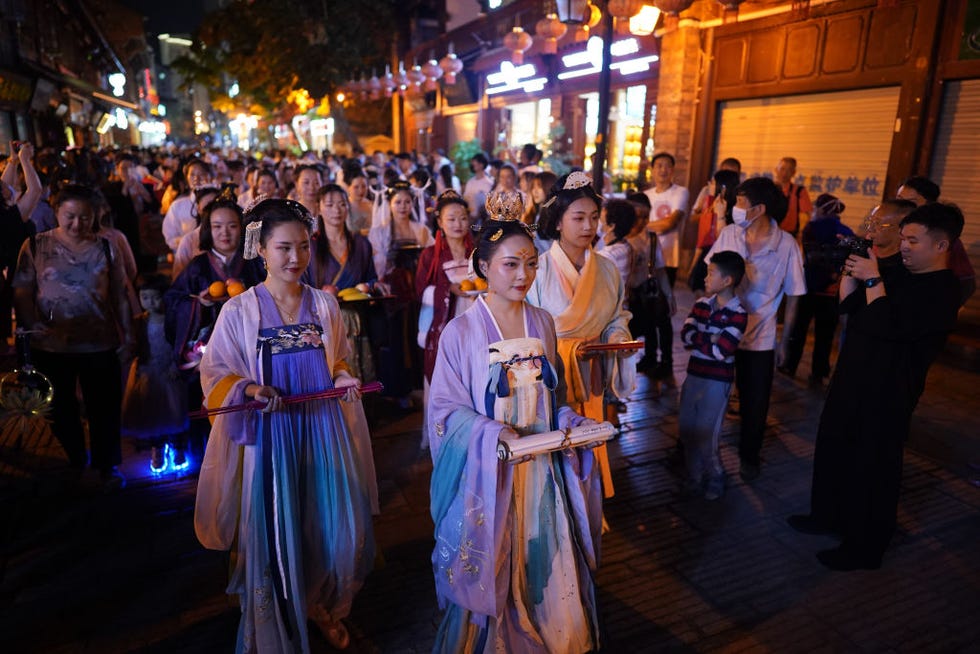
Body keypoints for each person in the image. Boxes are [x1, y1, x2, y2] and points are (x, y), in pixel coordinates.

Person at [195, 198, 377, 650]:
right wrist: (251, 391)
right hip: (272, 438)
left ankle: (323, 604)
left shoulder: (324, 304)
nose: (295, 258)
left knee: (331, 527)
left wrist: (343, 377)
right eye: (283, 248)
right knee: (280, 529)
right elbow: (215, 372)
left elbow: (336, 360)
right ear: (260, 248)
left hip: (323, 431)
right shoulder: (239, 311)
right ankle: (279, 614)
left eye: (302, 247)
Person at [427, 214, 602, 653]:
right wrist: (491, 431)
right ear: (483, 266)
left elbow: (552, 397)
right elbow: (445, 411)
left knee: (546, 560)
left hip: (542, 473)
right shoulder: (461, 331)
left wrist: (569, 420)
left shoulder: (542, 322)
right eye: (510, 264)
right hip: (491, 475)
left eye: (530, 263)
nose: (523, 274)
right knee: (495, 560)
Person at [788, 203, 962, 571]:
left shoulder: (943, 290)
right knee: (835, 449)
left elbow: (890, 325)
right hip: (852, 379)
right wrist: (853, 267)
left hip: (888, 394)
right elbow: (848, 306)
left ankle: (865, 547)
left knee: (873, 469)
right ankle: (826, 516)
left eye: (913, 240)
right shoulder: (896, 271)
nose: (904, 247)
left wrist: (873, 279)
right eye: (903, 238)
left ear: (941, 246)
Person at [12, 183, 133, 490]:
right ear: (56, 212)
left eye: (85, 217)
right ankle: (76, 459)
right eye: (70, 216)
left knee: (104, 408)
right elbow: (22, 290)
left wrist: (129, 335)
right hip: (50, 344)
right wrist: (30, 323)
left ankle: (107, 465)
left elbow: (120, 294)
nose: (77, 223)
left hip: (99, 341)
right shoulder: (36, 245)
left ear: (96, 216)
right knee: (59, 408)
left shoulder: (107, 247)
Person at [527, 172, 635, 498]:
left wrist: (617, 337)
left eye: (593, 217)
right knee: (555, 455)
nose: (589, 226)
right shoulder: (537, 269)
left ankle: (587, 507)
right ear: (558, 221)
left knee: (589, 450)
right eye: (578, 218)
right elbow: (528, 327)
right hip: (551, 378)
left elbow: (617, 315)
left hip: (591, 375)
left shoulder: (607, 269)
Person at [705, 177, 806, 481]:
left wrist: (786, 341)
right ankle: (697, 450)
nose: (735, 208)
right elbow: (710, 276)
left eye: (740, 202)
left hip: (760, 338)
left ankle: (750, 457)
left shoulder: (786, 245)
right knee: (710, 395)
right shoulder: (730, 234)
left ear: (759, 209)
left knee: (755, 401)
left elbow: (795, 295)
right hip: (722, 333)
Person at [678, 251, 747, 500]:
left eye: (710, 273)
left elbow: (723, 351)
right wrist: (711, 338)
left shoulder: (738, 313)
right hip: (694, 375)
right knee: (687, 428)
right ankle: (695, 477)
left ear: (727, 280)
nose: (705, 278)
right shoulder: (701, 306)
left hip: (717, 382)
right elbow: (685, 336)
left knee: (708, 432)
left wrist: (702, 339)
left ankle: (716, 475)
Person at [369, 180, 433, 405]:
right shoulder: (380, 231)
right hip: (393, 296)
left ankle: (418, 386)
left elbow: (430, 258)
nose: (403, 206)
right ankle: (398, 390)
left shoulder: (421, 230)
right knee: (396, 340)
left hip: (416, 291)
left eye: (407, 201)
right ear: (390, 204)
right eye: (398, 202)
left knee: (418, 337)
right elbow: (375, 263)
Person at [779, 194, 855, 383]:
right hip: (831, 291)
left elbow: (809, 255)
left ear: (822, 209)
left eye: (816, 207)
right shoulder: (847, 231)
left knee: (799, 330)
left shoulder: (812, 228)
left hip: (810, 288)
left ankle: (789, 365)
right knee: (825, 335)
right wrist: (834, 275)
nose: (814, 210)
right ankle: (819, 372)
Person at [121, 274, 189, 473]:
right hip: (148, 372)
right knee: (153, 413)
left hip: (171, 372)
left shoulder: (174, 319)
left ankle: (178, 448)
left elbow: (182, 344)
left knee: (175, 413)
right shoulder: (140, 322)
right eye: (144, 298)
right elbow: (135, 346)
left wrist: (177, 365)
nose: (149, 302)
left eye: (155, 297)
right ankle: (157, 449)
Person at [643, 152, 689, 380]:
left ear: (673, 170)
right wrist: (650, 226)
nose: (662, 169)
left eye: (667, 166)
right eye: (658, 165)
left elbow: (670, 222)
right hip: (645, 261)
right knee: (647, 311)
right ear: (652, 169)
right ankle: (650, 356)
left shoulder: (680, 193)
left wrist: (643, 224)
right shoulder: (646, 195)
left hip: (668, 261)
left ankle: (667, 361)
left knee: (663, 313)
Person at [897, 175, 975, 305]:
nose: (902, 208)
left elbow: (967, 282)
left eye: (910, 202)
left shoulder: (943, 239)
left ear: (929, 204)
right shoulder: (889, 229)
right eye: (899, 201)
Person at [688, 169, 739, 296]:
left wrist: (719, 212)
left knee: (709, 292)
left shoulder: (732, 211)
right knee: (698, 287)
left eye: (713, 182)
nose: (709, 185)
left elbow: (719, 235)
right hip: (707, 250)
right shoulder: (713, 203)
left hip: (720, 256)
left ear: (722, 187)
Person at [162, 158, 213, 252]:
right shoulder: (178, 205)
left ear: (210, 176)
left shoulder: (218, 202)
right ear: (187, 178)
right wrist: (188, 242)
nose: (196, 178)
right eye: (192, 174)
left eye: (201, 174)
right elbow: (170, 236)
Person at [171, 185, 222, 279]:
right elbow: (178, 278)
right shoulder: (189, 240)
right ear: (198, 209)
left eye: (217, 204)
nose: (213, 209)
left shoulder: (232, 235)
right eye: (208, 205)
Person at [863, 199, 917, 287]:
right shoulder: (865, 255)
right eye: (870, 222)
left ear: (902, 229)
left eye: (877, 223)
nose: (870, 228)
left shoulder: (906, 267)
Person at [773, 156, 813, 238]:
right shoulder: (768, 189)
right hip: (769, 234)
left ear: (794, 172)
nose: (784, 173)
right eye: (782, 169)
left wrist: (802, 232)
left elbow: (808, 215)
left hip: (789, 235)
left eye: (789, 170)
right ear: (776, 169)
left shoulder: (799, 191)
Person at [462, 152, 494, 223]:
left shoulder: (488, 183)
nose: (472, 165)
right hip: (469, 215)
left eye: (474, 162)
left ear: (481, 164)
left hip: (482, 218)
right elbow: (465, 197)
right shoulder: (470, 181)